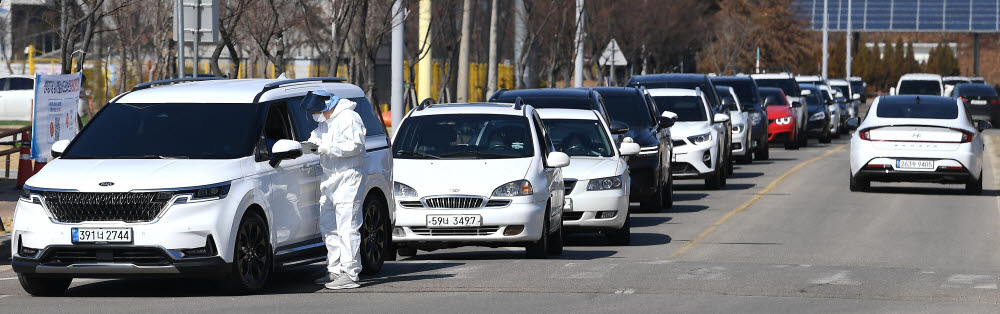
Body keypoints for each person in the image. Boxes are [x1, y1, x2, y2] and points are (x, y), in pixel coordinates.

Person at [299, 90, 367, 290]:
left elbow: (356, 146)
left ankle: (350, 273)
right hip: (330, 178)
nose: (315, 114)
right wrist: (302, 147)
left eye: (316, 110)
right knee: (329, 227)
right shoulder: (324, 123)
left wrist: (327, 148)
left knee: (348, 227)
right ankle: (335, 270)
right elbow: (314, 140)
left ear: (328, 105)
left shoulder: (349, 117)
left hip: (349, 177)